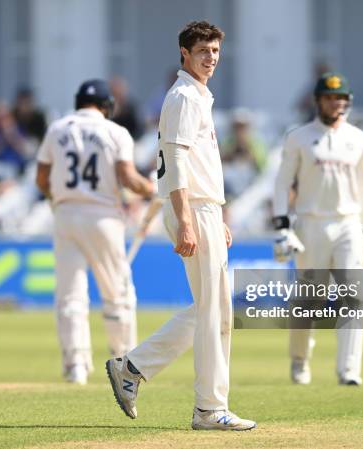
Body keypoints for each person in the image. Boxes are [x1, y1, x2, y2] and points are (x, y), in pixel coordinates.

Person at [105, 21, 256, 431]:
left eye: (216, 51)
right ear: (184, 54)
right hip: (191, 208)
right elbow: (174, 165)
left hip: (205, 209)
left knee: (216, 310)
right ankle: (209, 409)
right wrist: (188, 220)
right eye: (203, 50)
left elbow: (200, 164)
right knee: (213, 313)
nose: (211, 58)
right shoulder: (184, 96)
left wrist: (217, 216)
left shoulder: (198, 96)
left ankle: (132, 369)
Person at [35, 79, 154, 385]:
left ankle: (75, 366)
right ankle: (125, 365)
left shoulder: (57, 128)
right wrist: (152, 188)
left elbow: (41, 177)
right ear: (107, 106)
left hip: (64, 215)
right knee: (117, 295)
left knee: (71, 296)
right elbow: (127, 177)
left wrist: (56, 201)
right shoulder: (115, 132)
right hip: (102, 217)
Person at [272, 72, 363, 386]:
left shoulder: (358, 138)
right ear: (319, 100)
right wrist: (282, 225)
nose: (337, 103)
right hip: (311, 224)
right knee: (308, 299)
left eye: (341, 98)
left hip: (348, 223)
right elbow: (282, 183)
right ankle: (300, 360)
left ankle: (349, 370)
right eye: (331, 98)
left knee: (354, 298)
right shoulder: (299, 137)